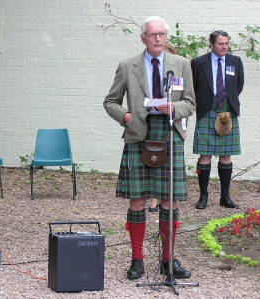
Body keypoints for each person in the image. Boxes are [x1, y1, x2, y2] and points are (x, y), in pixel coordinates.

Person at [103, 16, 195, 280]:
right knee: (138, 199)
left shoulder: (181, 64)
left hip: (169, 132)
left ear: (166, 38)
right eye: (152, 35)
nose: (158, 39)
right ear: (143, 38)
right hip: (138, 133)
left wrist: (175, 108)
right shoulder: (127, 66)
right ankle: (137, 260)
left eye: (162, 34)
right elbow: (110, 102)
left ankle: (168, 260)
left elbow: (190, 103)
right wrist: (126, 116)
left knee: (169, 198)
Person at [191, 30, 244, 209]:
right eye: (221, 44)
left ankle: (225, 197)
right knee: (204, 155)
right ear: (211, 44)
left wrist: (228, 103)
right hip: (207, 111)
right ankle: (203, 197)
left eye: (226, 43)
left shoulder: (235, 62)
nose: (224, 47)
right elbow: (194, 86)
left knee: (226, 156)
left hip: (227, 113)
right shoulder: (199, 63)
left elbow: (239, 85)